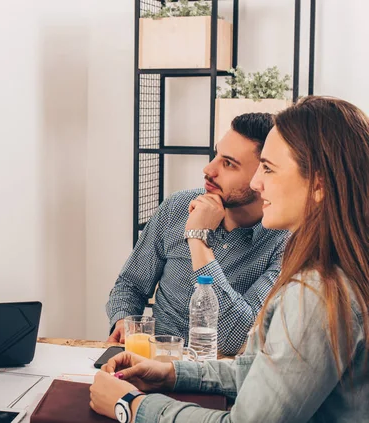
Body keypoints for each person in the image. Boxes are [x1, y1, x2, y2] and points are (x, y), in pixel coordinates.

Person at [91, 96, 369, 422]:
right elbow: (264, 368)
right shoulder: (328, 270)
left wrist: (131, 407)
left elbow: (238, 350)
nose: (257, 183)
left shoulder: (317, 292)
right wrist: (172, 372)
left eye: (268, 168)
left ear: (319, 185)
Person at [107, 113, 289, 355]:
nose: (208, 169)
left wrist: (197, 238)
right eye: (216, 155)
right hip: (153, 360)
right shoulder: (177, 207)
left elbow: (235, 337)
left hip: (220, 375)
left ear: (262, 175)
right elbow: (130, 284)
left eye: (228, 164)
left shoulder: (284, 242)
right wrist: (123, 321)